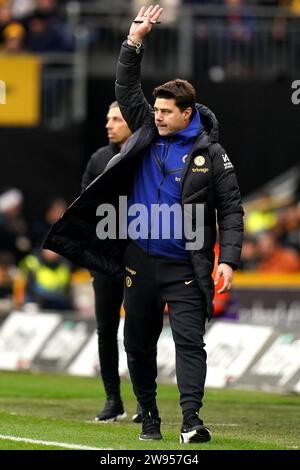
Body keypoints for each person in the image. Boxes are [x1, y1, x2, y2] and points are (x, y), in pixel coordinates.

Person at [43, 5, 243, 444]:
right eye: (155, 109)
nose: (157, 116)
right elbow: (125, 86)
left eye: (167, 111)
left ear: (188, 113)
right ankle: (148, 416)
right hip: (139, 263)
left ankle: (191, 421)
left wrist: (227, 260)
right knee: (138, 344)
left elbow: (231, 210)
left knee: (191, 343)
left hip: (186, 267)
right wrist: (134, 41)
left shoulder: (212, 156)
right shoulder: (146, 132)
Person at [81, 102, 142, 423]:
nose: (109, 124)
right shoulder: (99, 159)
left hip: (138, 257)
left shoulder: (145, 156)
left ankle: (145, 402)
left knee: (138, 329)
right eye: (107, 118)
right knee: (106, 330)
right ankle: (113, 400)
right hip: (104, 259)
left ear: (132, 123)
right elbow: (85, 206)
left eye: (116, 119)